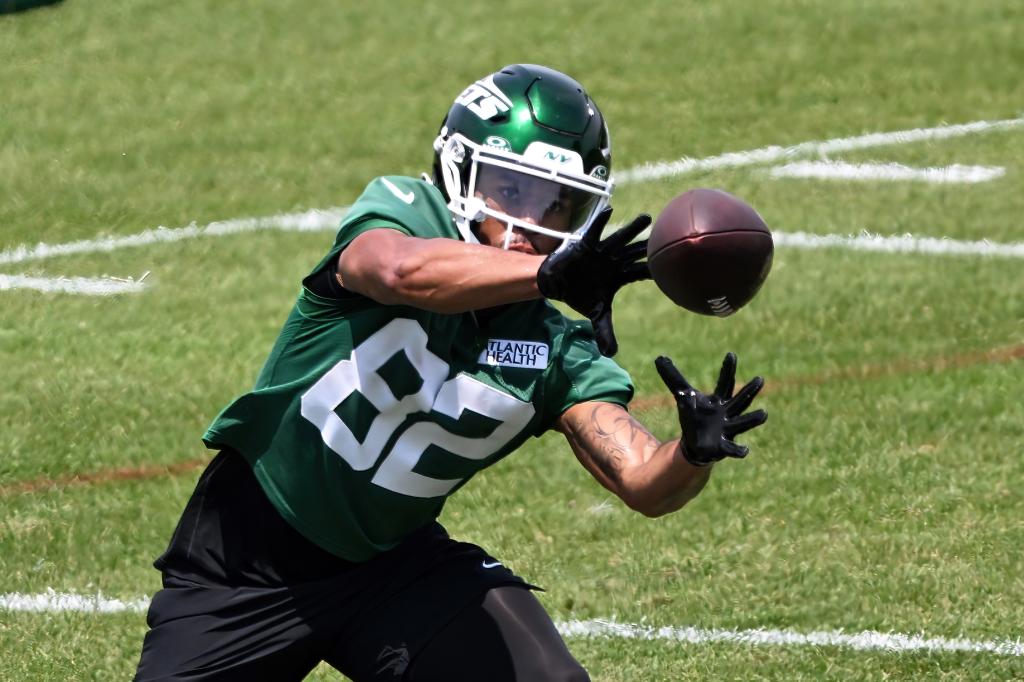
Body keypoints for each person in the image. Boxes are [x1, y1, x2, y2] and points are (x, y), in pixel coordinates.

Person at [133, 64, 768, 682]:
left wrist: (692, 452)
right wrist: (545, 275)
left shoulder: (554, 345)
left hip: (396, 570)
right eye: (512, 190)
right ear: (459, 170)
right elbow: (397, 273)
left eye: (556, 206)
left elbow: (643, 484)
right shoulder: (407, 214)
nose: (530, 224)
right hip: (246, 565)